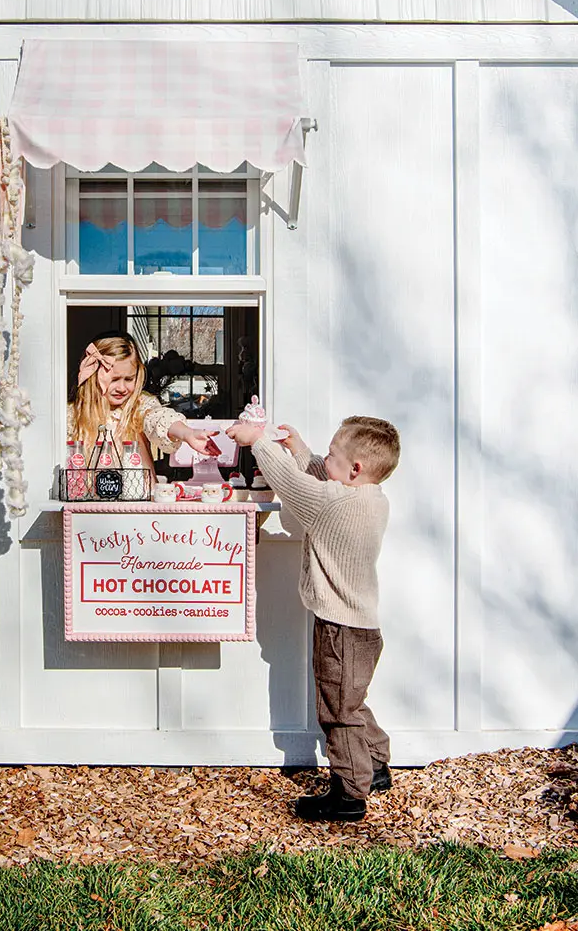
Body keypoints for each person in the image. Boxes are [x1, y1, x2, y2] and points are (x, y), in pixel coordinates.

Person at [227, 413, 400, 823]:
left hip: (340, 629)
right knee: (351, 701)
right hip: (363, 629)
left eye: (333, 453)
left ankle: (349, 794)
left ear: (355, 468)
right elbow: (324, 479)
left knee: (337, 711)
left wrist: (258, 442)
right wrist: (300, 449)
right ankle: (375, 765)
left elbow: (293, 486)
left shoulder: (332, 503)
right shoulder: (372, 498)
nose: (326, 457)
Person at [68, 332, 219, 473]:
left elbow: (159, 418)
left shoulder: (139, 404)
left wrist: (186, 433)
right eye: (114, 380)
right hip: (91, 498)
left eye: (129, 379)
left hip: (135, 496)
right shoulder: (74, 414)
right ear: (93, 376)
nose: (122, 388)